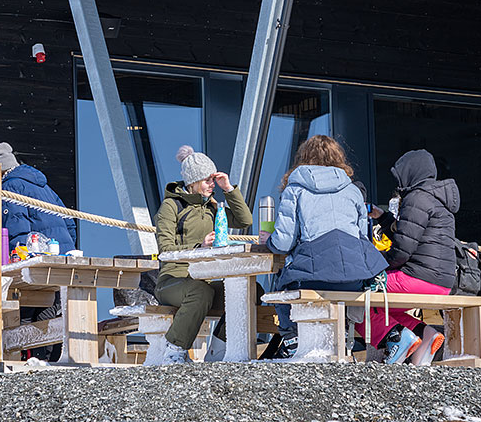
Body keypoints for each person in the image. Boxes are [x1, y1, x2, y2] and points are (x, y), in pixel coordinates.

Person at [260, 135, 388, 360]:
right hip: (353, 279)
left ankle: (292, 339)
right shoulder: (352, 191)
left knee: (281, 284)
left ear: (303, 157)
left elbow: (283, 243)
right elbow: (361, 238)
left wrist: (268, 241)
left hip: (311, 277)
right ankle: (341, 339)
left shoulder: (295, 189)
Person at [154, 145, 253, 364]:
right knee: (200, 291)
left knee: (248, 291)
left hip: (203, 280)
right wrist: (199, 247)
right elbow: (165, 250)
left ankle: (217, 352)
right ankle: (174, 350)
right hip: (172, 281)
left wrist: (228, 188)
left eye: (213, 179)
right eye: (208, 180)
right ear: (193, 181)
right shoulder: (171, 206)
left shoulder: (212, 207)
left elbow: (245, 220)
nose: (212, 184)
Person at [367, 149, 460, 364]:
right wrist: (383, 218)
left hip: (418, 278)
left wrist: (374, 263)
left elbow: (401, 252)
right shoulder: (436, 199)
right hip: (442, 282)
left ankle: (397, 339)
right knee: (386, 306)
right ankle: (426, 334)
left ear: (411, 172)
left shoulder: (417, 198)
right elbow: (409, 236)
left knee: (361, 294)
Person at [0, 142, 77, 250]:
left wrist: (19, 253)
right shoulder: (45, 187)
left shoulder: (10, 186)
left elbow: (16, 226)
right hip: (65, 252)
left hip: (40, 253)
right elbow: (69, 223)